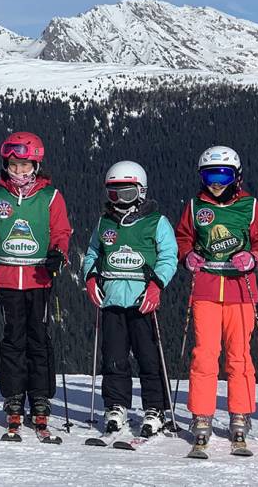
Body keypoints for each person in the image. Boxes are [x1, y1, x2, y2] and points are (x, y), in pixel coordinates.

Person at [0, 131, 72, 438]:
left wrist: (57, 255)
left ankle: (39, 397)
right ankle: (13, 397)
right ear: (6, 164)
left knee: (38, 338)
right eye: (14, 164)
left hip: (39, 278)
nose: (19, 171)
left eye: (25, 165)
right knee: (13, 338)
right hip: (9, 278)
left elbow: (61, 232)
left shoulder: (50, 196)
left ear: (36, 165)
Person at [174, 145, 258, 452]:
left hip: (240, 289)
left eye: (223, 175)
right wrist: (187, 255)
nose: (216, 183)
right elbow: (182, 238)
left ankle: (240, 414)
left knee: (239, 355)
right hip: (205, 288)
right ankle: (201, 415)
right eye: (210, 175)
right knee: (204, 354)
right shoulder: (194, 206)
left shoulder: (250, 206)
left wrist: (254, 257)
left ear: (236, 176)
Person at [81, 160, 177, 437]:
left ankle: (155, 407)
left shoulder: (156, 222)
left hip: (142, 299)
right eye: (114, 194)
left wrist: (157, 285)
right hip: (111, 298)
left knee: (148, 357)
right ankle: (116, 404)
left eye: (127, 194)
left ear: (141, 192)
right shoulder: (104, 223)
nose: (120, 201)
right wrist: (90, 277)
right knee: (113, 357)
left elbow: (169, 256)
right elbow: (92, 254)